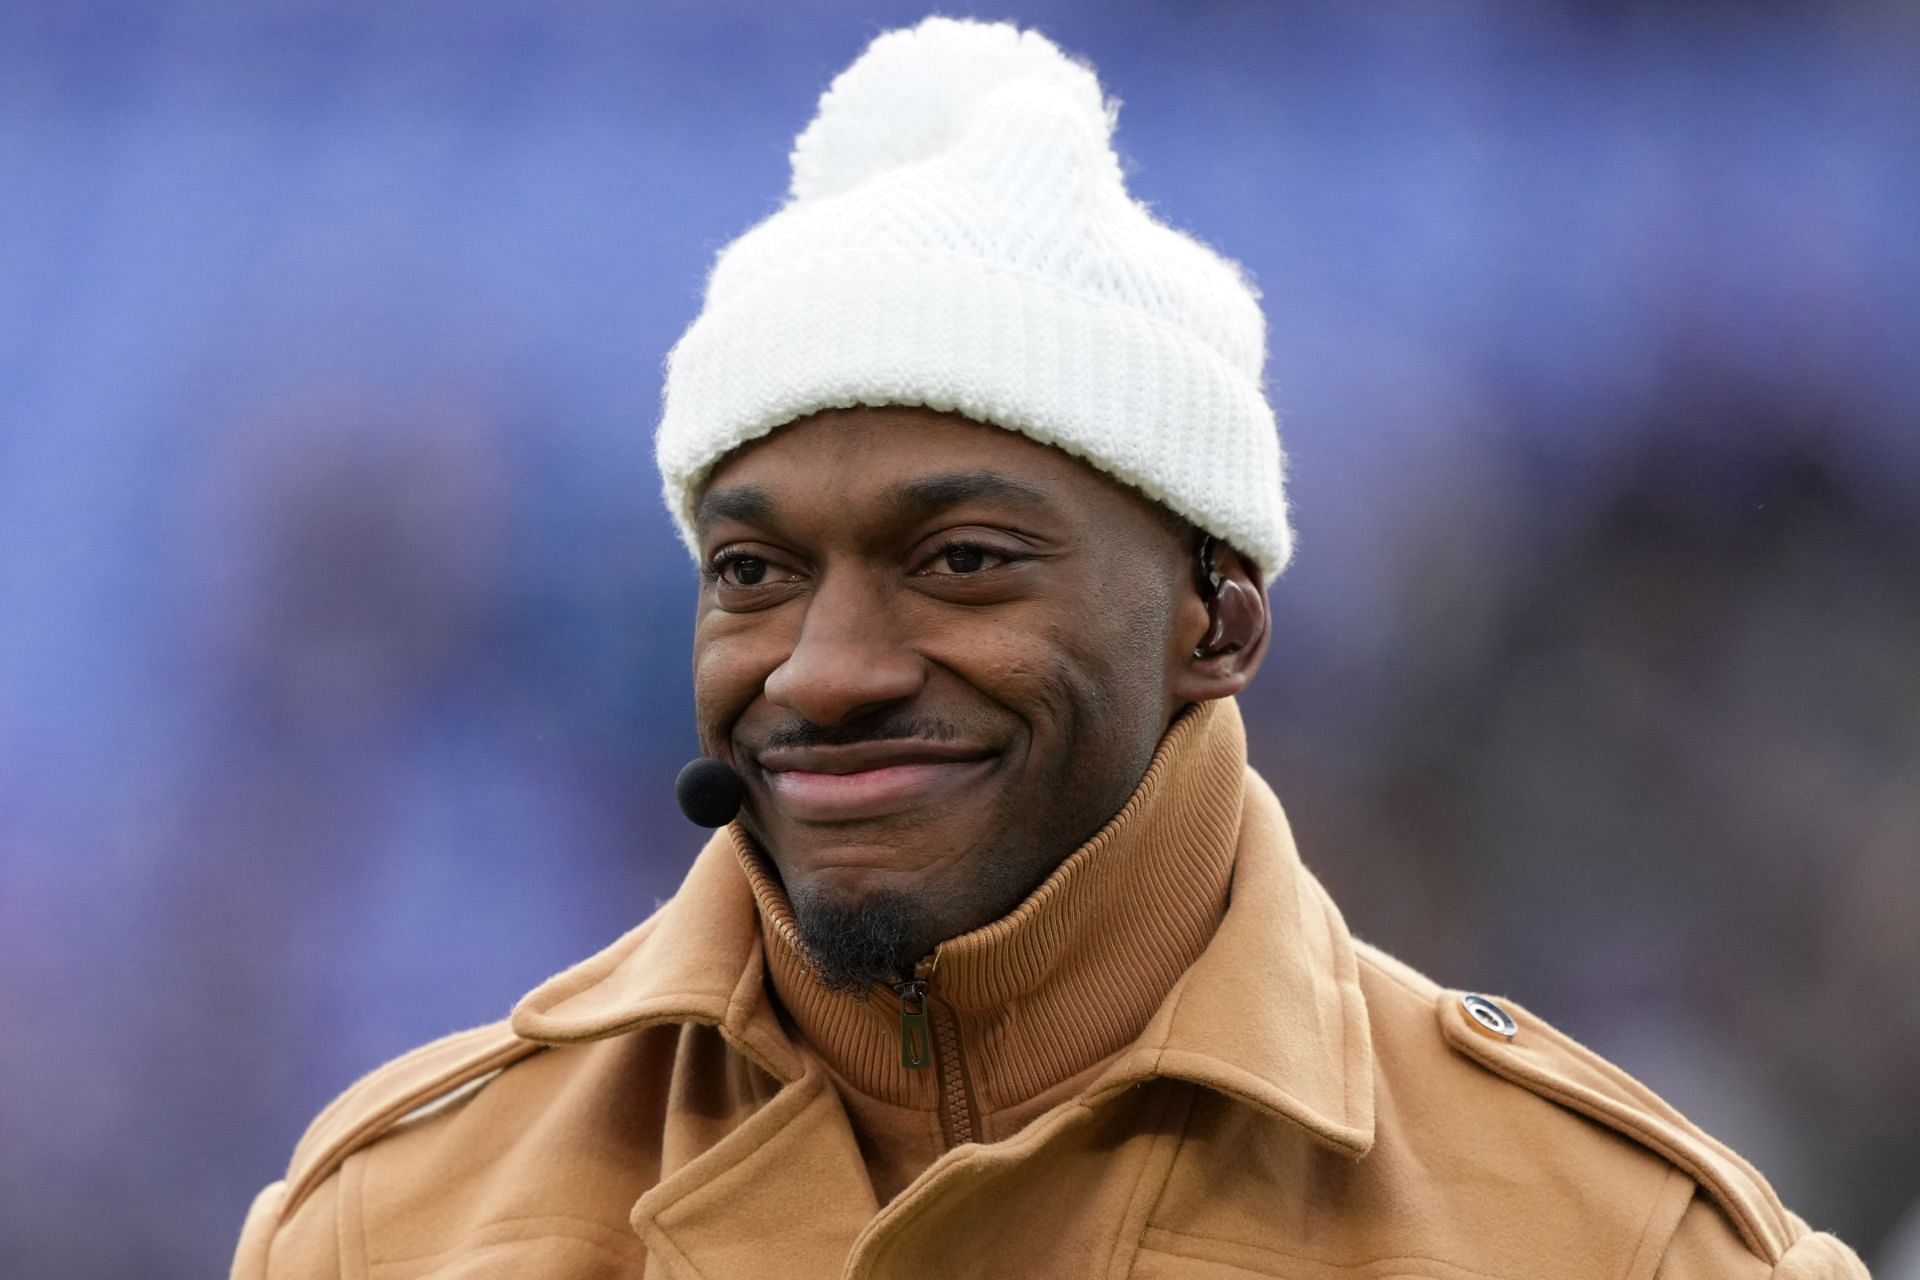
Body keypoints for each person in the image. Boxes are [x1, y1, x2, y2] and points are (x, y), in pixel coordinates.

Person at [230, 17, 1869, 1279]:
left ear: (1216, 622)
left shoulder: (1615, 1244)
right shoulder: (396, 1225)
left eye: (962, 562)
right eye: (753, 570)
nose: (827, 666)